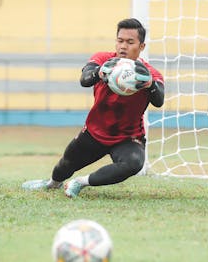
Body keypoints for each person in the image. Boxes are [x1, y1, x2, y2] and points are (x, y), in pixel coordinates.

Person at [22, 18, 165, 198]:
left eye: (130, 42)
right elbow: (84, 79)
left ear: (141, 46)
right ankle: (52, 184)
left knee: (134, 164)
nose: (123, 46)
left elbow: (159, 100)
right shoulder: (103, 59)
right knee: (65, 165)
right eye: (120, 41)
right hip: (94, 132)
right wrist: (99, 73)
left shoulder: (149, 74)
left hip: (127, 137)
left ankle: (80, 182)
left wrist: (150, 84)